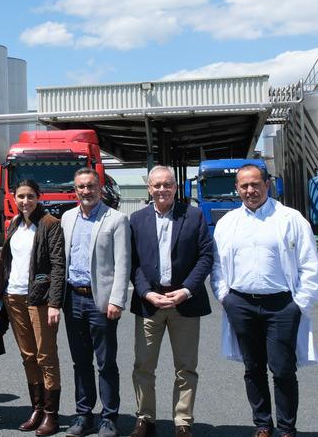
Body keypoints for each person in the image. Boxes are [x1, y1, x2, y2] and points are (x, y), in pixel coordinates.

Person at [210, 164, 318, 437]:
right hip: (241, 304)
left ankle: (286, 428)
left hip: (282, 305)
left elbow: (310, 265)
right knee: (253, 368)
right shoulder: (227, 223)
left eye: (255, 184)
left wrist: (300, 303)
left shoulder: (290, 219)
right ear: (236, 189)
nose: (250, 190)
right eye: (244, 186)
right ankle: (262, 424)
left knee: (283, 369)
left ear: (267, 184)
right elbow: (218, 266)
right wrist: (225, 297)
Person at [128, 166, 214, 437]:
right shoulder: (136, 219)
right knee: (143, 365)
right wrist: (145, 291)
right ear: (149, 189)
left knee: (186, 366)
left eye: (168, 184)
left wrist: (187, 289)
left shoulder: (194, 216)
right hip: (150, 302)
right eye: (157, 185)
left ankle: (183, 422)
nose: (162, 189)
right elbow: (133, 262)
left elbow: (205, 256)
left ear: (176, 187)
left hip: (184, 302)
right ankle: (145, 418)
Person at [59, 167, 130, 437]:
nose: (86, 191)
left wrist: (117, 300)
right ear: (75, 190)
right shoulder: (67, 218)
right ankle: (83, 415)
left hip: (101, 301)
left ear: (100, 189)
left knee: (106, 362)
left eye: (90, 186)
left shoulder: (116, 220)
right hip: (72, 299)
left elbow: (123, 263)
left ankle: (109, 418)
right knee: (80, 362)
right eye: (81, 187)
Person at [0, 180, 65, 435]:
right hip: (13, 297)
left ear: (38, 197)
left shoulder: (49, 224)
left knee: (45, 355)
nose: (25, 201)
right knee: (28, 356)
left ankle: (51, 414)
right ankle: (36, 408)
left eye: (29, 196)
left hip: (40, 299)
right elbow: (9, 261)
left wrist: (54, 302)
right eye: (20, 197)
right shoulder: (15, 223)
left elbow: (58, 267)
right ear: (14, 198)